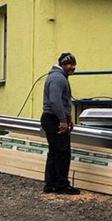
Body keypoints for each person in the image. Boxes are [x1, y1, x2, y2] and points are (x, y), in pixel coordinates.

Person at [41, 52, 80, 195]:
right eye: (70, 64)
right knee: (62, 153)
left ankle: (50, 184)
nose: (73, 67)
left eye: (74, 64)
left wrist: (68, 117)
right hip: (54, 119)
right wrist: (63, 120)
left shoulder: (57, 77)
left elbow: (62, 101)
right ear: (63, 64)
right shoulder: (58, 78)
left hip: (51, 117)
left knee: (54, 152)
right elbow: (55, 101)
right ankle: (61, 184)